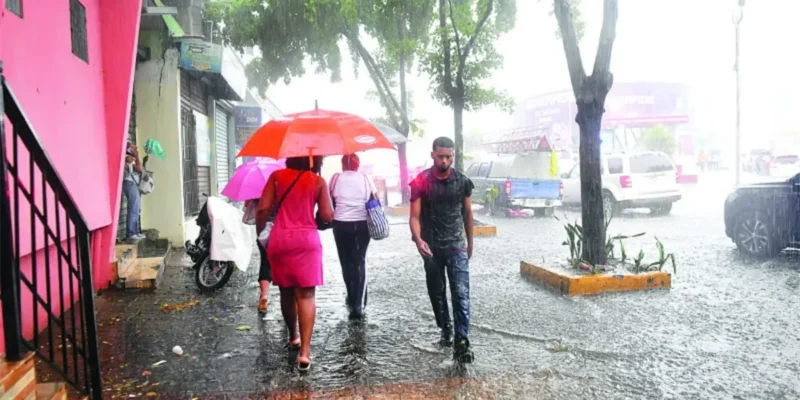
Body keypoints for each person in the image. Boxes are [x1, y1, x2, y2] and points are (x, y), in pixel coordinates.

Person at [255, 156, 333, 371]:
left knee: (286, 292)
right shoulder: (318, 181)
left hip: (280, 239)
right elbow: (327, 216)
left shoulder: (276, 176)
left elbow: (262, 209)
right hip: (307, 241)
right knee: (306, 296)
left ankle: (293, 336)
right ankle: (305, 353)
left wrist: (260, 233)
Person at [409, 137, 475, 364]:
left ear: (453, 156)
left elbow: (467, 212)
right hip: (431, 248)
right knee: (437, 294)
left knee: (461, 294)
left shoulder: (463, 182)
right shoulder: (421, 182)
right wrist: (418, 239)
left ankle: (462, 342)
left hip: (456, 246)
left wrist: (470, 241)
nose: (444, 161)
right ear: (432, 155)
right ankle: (446, 328)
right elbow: (414, 215)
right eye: (440, 157)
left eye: (448, 157)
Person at [329, 154, 378, 320]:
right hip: (361, 224)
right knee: (359, 261)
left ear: (343, 165)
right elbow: (375, 198)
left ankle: (351, 295)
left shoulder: (335, 178)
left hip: (340, 224)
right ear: (358, 165)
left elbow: (330, 199)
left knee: (345, 261)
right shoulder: (365, 178)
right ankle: (358, 304)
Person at [243, 198, 272, 313]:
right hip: (285, 231)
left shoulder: (257, 191)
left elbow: (248, 206)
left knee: (265, 264)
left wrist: (260, 232)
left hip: (264, 232)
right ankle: (290, 299)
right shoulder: (282, 188)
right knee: (285, 266)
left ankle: (264, 295)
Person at [122, 142, 143, 242]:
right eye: (133, 147)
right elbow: (138, 168)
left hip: (133, 184)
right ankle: (131, 233)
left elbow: (140, 169)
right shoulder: (128, 158)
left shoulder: (131, 158)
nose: (136, 149)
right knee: (133, 208)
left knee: (137, 208)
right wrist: (137, 156)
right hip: (130, 183)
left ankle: (135, 231)